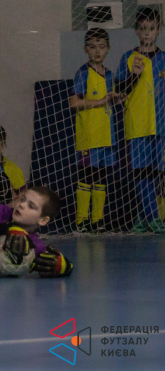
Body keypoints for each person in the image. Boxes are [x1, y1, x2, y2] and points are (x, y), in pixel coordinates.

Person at [115, 8, 165, 233]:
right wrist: (134, 75)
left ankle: (142, 216)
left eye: (151, 29)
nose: (147, 33)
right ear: (136, 31)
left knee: (157, 173)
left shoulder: (164, 58)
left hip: (161, 126)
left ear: (158, 30)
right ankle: (152, 217)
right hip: (137, 125)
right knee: (141, 171)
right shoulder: (128, 58)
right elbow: (120, 91)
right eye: (143, 29)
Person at [70, 28, 123, 233]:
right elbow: (74, 102)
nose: (97, 51)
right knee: (87, 177)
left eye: (101, 47)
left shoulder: (110, 74)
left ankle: (97, 221)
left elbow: (109, 99)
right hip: (89, 136)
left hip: (107, 136)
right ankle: (81, 221)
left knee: (101, 179)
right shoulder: (83, 73)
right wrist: (100, 101)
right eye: (93, 47)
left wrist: (118, 98)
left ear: (108, 48)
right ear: (86, 50)